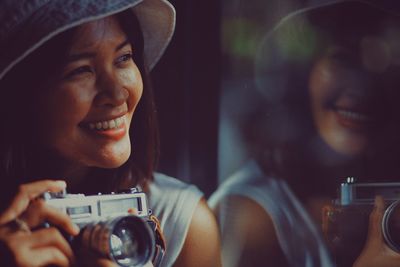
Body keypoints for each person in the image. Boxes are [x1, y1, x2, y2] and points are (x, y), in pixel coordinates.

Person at [0, 0, 221, 266]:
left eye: (124, 58)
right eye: (81, 70)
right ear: (18, 95)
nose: (117, 94)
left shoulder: (181, 222)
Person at [209, 1, 400, 266]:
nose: (362, 86)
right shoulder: (254, 214)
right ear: (301, 76)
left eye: (378, 66)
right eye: (343, 61)